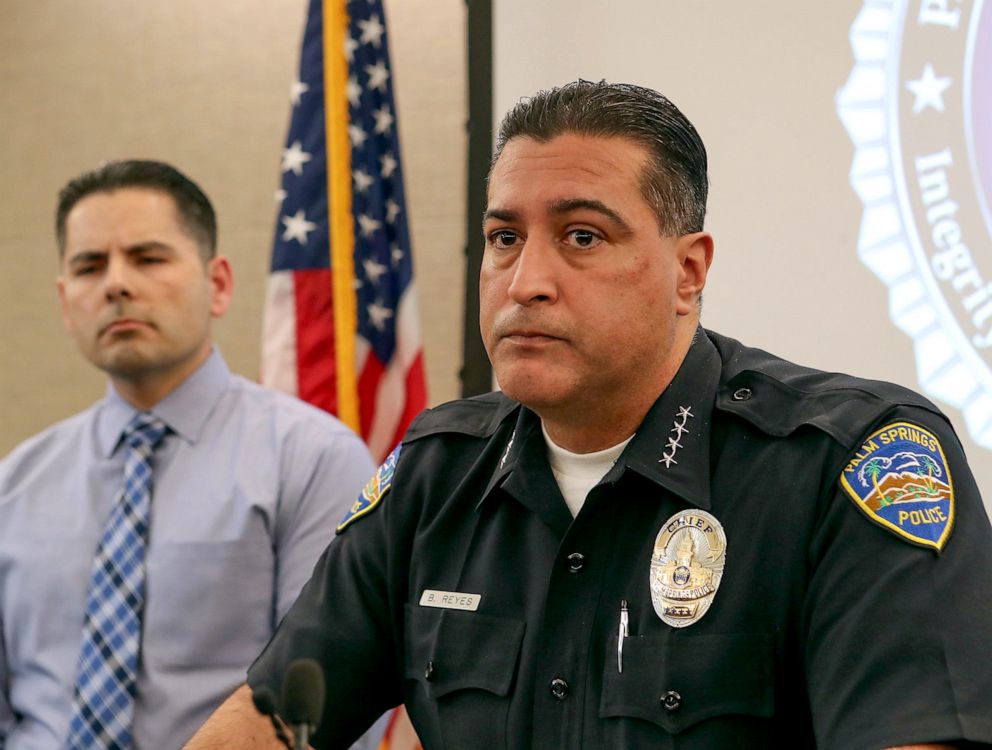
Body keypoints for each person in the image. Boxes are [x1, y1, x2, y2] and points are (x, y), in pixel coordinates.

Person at [186, 81, 992, 749]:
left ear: (687, 271)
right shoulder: (436, 475)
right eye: (504, 238)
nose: (525, 280)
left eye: (580, 236)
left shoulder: (849, 461)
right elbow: (273, 721)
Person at [0, 160, 376, 748]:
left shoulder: (312, 460)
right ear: (65, 300)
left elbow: (333, 698)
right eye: (89, 266)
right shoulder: (15, 484)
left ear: (219, 284)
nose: (116, 284)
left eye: (148, 258)